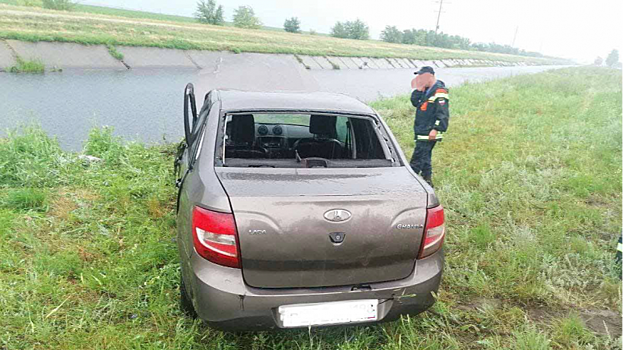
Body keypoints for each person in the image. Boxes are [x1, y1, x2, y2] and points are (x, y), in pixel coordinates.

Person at [409, 66, 449, 187]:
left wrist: (436, 129)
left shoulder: (439, 91)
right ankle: (427, 182)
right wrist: (419, 89)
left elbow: (443, 112)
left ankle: (409, 183)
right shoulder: (425, 89)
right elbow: (415, 102)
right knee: (425, 158)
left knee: (417, 159)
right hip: (421, 130)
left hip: (429, 132)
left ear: (430, 76)